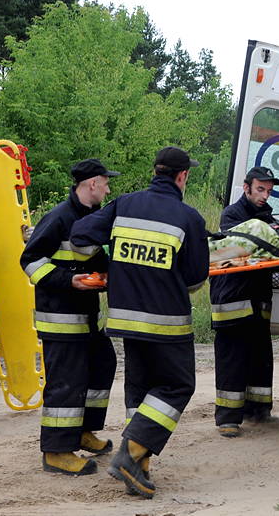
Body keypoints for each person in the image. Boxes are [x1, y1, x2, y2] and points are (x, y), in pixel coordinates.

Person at [71, 146, 209, 499]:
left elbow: (80, 237)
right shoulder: (189, 218)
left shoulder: (124, 205)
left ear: (155, 171)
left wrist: (107, 265)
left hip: (126, 320)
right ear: (182, 177)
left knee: (141, 390)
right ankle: (131, 454)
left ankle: (141, 468)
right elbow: (195, 279)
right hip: (167, 324)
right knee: (178, 387)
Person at [20, 158, 119, 476]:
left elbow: (93, 256)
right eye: (106, 182)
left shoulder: (92, 217)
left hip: (85, 315)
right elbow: (30, 260)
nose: (108, 187)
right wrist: (69, 281)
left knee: (102, 364)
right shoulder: (59, 217)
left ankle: (82, 432)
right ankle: (56, 451)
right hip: (60, 318)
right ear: (92, 183)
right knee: (66, 382)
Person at [210, 166, 279, 438]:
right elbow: (240, 250)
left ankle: (259, 411)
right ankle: (228, 418)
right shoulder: (233, 215)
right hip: (233, 298)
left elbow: (271, 258)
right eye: (260, 189)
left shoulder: (267, 216)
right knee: (233, 358)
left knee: (261, 356)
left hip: (258, 299)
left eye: (269, 191)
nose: (265, 195)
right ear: (247, 188)